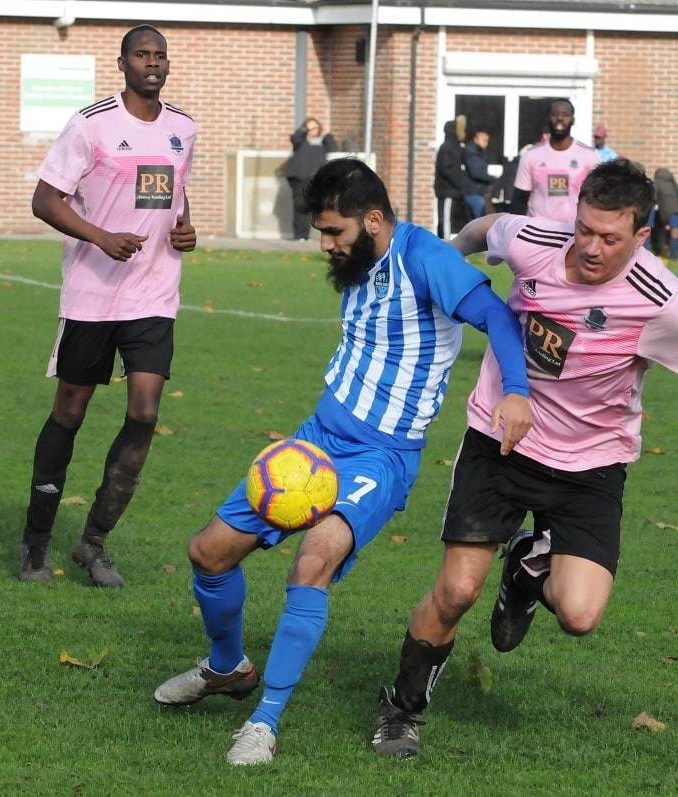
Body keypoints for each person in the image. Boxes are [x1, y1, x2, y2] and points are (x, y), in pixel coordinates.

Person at [371, 158, 678, 759]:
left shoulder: (663, 301)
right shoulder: (533, 241)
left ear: (641, 237)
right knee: (456, 593)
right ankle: (401, 708)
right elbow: (482, 231)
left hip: (591, 466)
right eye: (584, 229)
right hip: (502, 440)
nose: (591, 248)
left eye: (610, 238)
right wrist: (439, 264)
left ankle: (529, 563)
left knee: (579, 614)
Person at [152, 157, 534, 766]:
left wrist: (516, 389)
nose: (326, 245)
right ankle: (227, 667)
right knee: (209, 552)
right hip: (316, 439)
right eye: (321, 233)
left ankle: (265, 721)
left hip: (382, 455)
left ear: (374, 219)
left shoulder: (424, 259)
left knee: (313, 559)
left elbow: (496, 316)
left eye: (335, 232)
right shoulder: (360, 260)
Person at [16, 24, 199, 587]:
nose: (152, 62)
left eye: (160, 55)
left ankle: (94, 542)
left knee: (144, 412)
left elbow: (175, 194)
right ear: (122, 63)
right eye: (142, 54)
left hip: (153, 292)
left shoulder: (183, 129)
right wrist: (99, 236)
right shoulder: (91, 124)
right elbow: (45, 200)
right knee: (70, 411)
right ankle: (35, 544)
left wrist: (185, 228)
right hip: (94, 294)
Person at [510, 99, 600, 223]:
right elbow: (519, 200)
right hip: (538, 233)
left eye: (565, 115)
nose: (560, 118)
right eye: (555, 114)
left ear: (573, 120)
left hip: (574, 232)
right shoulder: (531, 155)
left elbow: (599, 198)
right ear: (548, 118)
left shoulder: (590, 155)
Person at [286, 117, 337, 240]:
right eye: (310, 128)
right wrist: (305, 129)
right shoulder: (300, 141)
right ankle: (299, 235)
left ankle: (305, 235)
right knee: (300, 205)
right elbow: (295, 137)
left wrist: (328, 134)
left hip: (315, 179)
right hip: (299, 177)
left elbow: (333, 148)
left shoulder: (322, 143)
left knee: (311, 206)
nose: (313, 130)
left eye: (315, 127)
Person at [435, 115, 471, 238]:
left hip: (453, 191)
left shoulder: (455, 147)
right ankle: (445, 242)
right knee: (445, 219)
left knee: (447, 218)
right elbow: (447, 169)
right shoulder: (447, 148)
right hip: (448, 191)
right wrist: (460, 182)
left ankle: (445, 241)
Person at [652, 167, 678, 259]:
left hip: (672, 211)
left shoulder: (657, 183)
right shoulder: (673, 184)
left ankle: (673, 257)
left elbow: (653, 198)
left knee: (674, 233)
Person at [462, 128, 495, 219]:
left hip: (477, 191)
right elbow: (476, 173)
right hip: (473, 191)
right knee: (478, 221)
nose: (486, 143)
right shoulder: (472, 153)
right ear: (475, 139)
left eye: (487, 141)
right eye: (484, 140)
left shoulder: (477, 153)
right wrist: (493, 179)